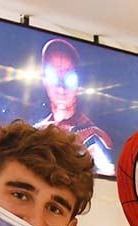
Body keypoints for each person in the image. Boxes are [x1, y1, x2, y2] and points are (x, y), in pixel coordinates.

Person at [35, 38, 115, 175]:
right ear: (44, 80)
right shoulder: (35, 132)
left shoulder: (95, 137)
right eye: (53, 75)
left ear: (78, 83)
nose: (61, 86)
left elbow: (108, 179)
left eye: (69, 77)